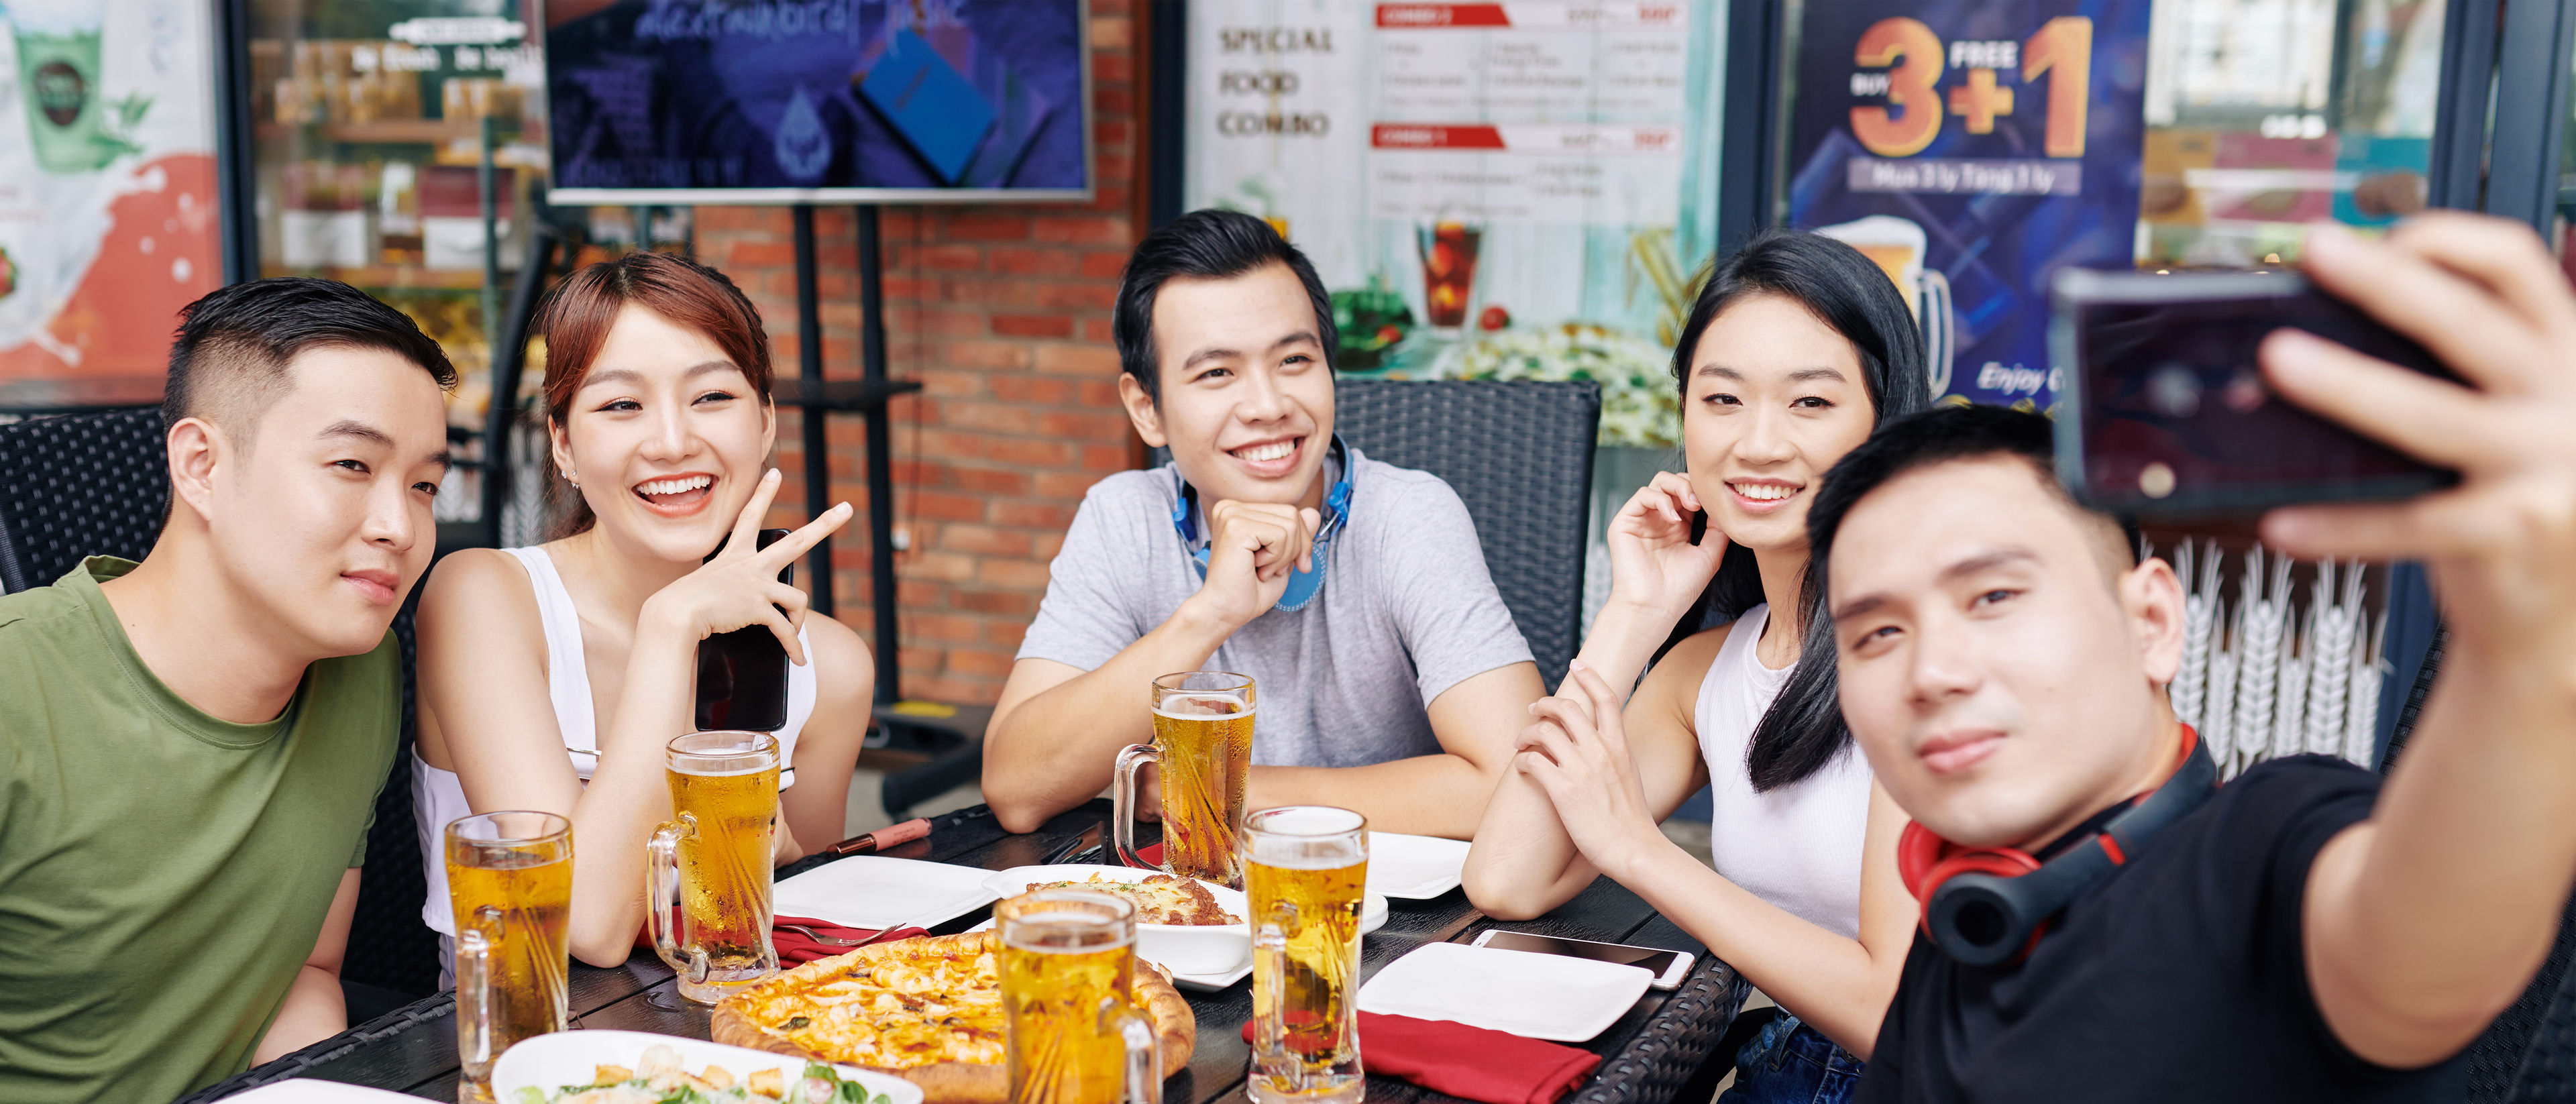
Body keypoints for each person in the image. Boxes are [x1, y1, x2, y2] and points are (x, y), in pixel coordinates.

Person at [1780, 213, 2576, 1101]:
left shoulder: (2260, 848)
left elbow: (2430, 953)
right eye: (1877, 633)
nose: (1933, 670)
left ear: (2154, 618)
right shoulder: (1969, 913)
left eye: (1994, 596)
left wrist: (2527, 643)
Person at [1464, 230, 1927, 1100]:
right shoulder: (1706, 671)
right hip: (1781, 1065)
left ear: (1884, 422)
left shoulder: (1922, 663)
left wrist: (1640, 851)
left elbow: (1893, 1013)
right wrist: (1632, 613)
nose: (1756, 444)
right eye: (1722, 399)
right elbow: (1506, 875)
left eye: (1810, 404)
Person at [0, 278, 453, 1102]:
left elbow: (304, 967)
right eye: (352, 464)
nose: (401, 525)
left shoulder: (364, 669)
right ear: (200, 465)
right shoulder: (16, 691)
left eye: (424, 483)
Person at [983, 209, 1544, 836]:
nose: (1270, 406)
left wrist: (1198, 785)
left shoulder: (1408, 516)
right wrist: (1209, 614)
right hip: (1179, 903)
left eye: (1294, 360)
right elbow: (1016, 787)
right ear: (1148, 410)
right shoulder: (1123, 518)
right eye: (1217, 372)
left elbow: (1517, 781)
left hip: (1381, 912)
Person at [414, 252, 867, 969]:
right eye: (621, 405)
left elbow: (798, 931)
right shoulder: (483, 599)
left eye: (713, 396)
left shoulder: (831, 665)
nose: (672, 442)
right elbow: (584, 925)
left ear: (767, 421)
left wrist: (778, 854)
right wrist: (671, 626)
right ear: (561, 444)